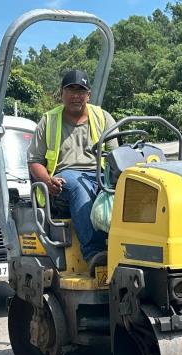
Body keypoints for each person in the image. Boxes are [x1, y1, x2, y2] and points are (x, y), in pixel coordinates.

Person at [27, 69, 119, 263]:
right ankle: (94, 253)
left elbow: (115, 156)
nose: (76, 96)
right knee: (79, 186)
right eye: (71, 90)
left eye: (81, 90)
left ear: (89, 94)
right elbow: (34, 160)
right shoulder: (49, 121)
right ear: (61, 93)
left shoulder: (102, 117)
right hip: (64, 178)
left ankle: (131, 249)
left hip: (100, 176)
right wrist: (47, 180)